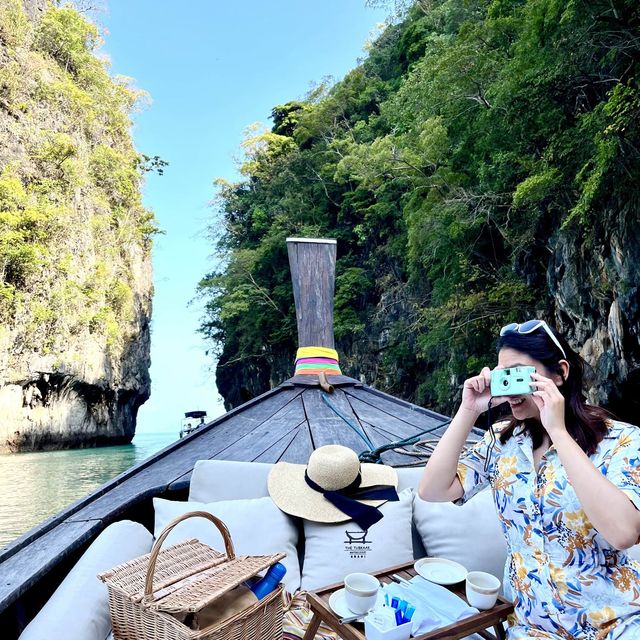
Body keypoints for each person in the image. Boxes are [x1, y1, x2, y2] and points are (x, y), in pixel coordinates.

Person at [419, 319, 640, 639]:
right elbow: (433, 489)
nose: (514, 387)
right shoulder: (501, 443)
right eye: (504, 376)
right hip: (534, 628)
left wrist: (559, 432)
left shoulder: (620, 441)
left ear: (560, 373)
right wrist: (469, 410)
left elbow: (624, 533)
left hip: (617, 622)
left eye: (522, 374)